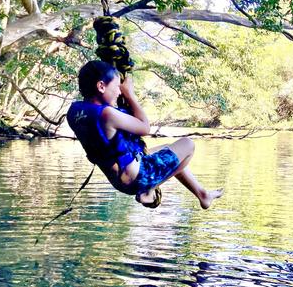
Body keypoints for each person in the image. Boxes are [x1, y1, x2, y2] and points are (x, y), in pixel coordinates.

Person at [67, 60, 223, 209]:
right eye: (116, 86)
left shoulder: (73, 113)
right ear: (101, 86)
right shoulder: (107, 115)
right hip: (137, 178)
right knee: (188, 145)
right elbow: (145, 128)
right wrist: (130, 96)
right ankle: (148, 190)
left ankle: (202, 194)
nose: (119, 91)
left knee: (170, 150)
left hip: (119, 179)